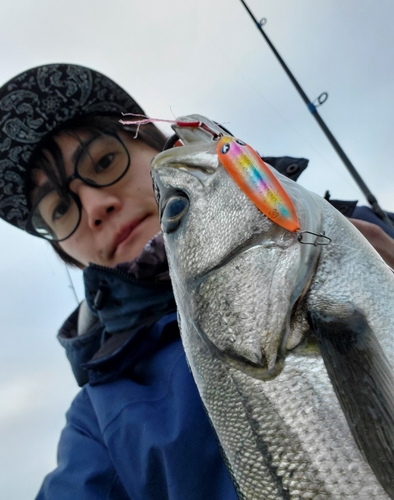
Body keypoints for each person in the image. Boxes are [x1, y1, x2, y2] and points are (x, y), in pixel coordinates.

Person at [0, 63, 393, 500]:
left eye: (105, 160)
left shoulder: (369, 233)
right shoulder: (95, 424)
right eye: (60, 210)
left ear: (156, 147)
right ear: (64, 251)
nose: (94, 206)